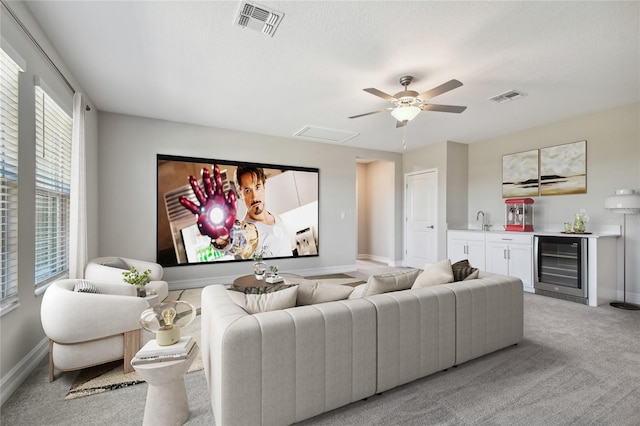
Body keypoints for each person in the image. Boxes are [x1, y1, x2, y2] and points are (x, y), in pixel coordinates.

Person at [235, 166, 293, 258]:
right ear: (240, 194)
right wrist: (222, 239)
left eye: (257, 187)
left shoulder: (277, 218)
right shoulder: (246, 228)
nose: (254, 197)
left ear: (264, 186)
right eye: (247, 191)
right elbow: (241, 242)